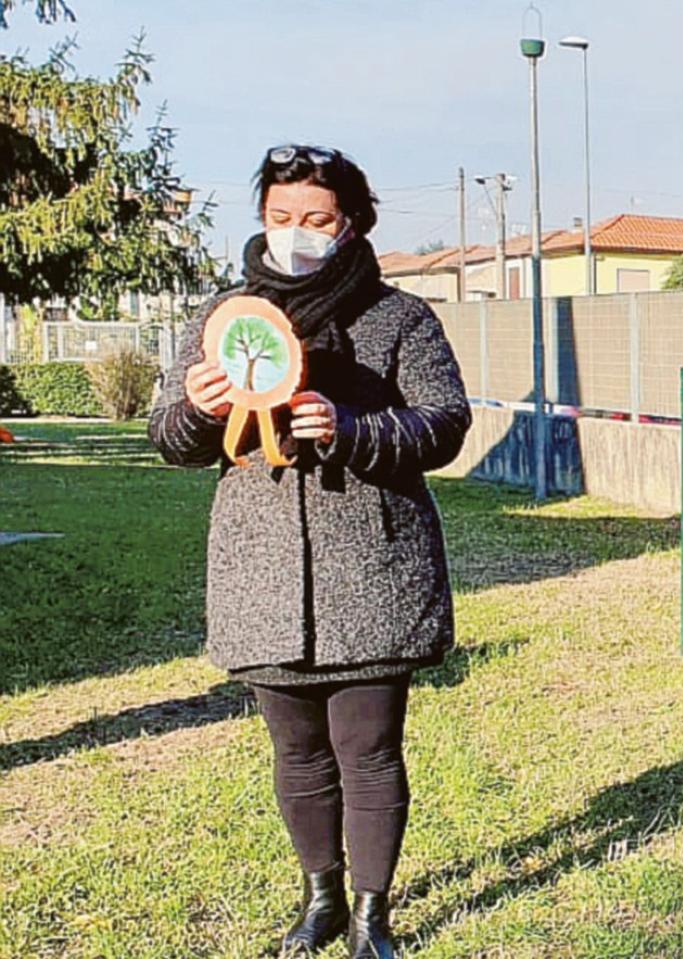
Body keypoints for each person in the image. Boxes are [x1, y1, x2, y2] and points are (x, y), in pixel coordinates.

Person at [149, 145, 471, 959]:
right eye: (281, 217)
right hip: (261, 572)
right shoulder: (226, 318)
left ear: (352, 222)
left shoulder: (400, 317)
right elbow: (169, 437)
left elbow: (446, 423)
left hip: (374, 566)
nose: (297, 234)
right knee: (295, 750)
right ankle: (319, 897)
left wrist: (356, 428)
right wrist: (193, 408)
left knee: (367, 748)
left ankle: (372, 917)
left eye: (317, 220)